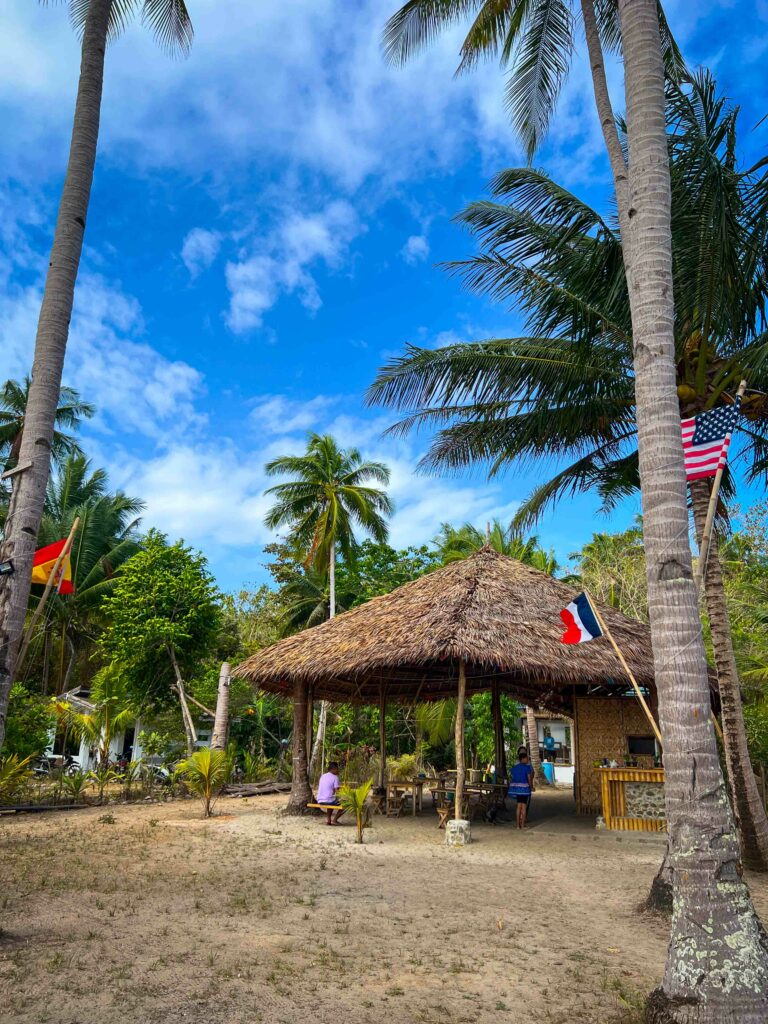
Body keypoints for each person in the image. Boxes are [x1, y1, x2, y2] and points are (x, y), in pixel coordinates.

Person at [508, 751, 534, 829]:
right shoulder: (527, 768)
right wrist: (531, 787)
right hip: (524, 789)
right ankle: (522, 825)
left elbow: (512, 776)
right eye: (526, 758)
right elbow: (529, 778)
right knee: (524, 807)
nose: (527, 760)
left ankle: (517, 825)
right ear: (522, 759)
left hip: (516, 789)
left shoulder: (515, 768)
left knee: (518, 806)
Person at [316, 761, 344, 825]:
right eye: (337, 769)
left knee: (331, 800)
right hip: (328, 800)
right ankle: (335, 820)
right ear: (333, 769)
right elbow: (337, 791)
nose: (338, 770)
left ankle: (328, 820)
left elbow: (328, 788)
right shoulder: (335, 777)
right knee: (346, 804)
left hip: (320, 800)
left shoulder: (323, 776)